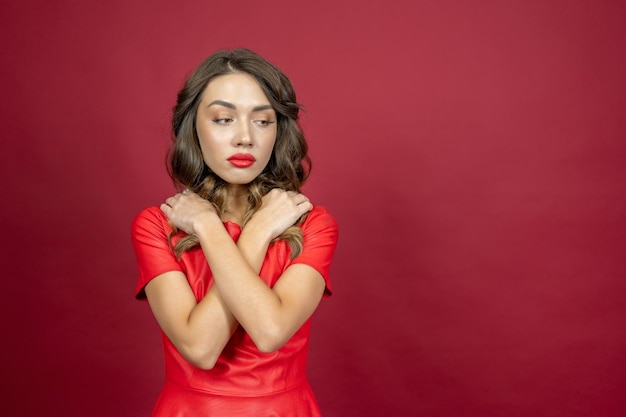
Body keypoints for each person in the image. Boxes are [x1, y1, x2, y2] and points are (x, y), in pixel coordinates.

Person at [130, 48, 339, 416]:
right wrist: (214, 226)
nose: (245, 138)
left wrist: (249, 230)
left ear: (280, 130)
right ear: (193, 126)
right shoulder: (157, 225)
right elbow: (201, 348)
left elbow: (270, 330)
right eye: (224, 119)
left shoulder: (311, 223)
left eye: (262, 121)